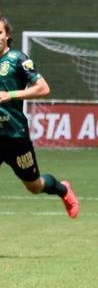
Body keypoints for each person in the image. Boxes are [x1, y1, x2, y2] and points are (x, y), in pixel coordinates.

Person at [0, 13, 79, 219]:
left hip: (16, 137)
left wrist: (11, 95)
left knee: (34, 186)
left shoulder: (18, 59)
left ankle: (63, 189)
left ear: (7, 35)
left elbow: (43, 88)